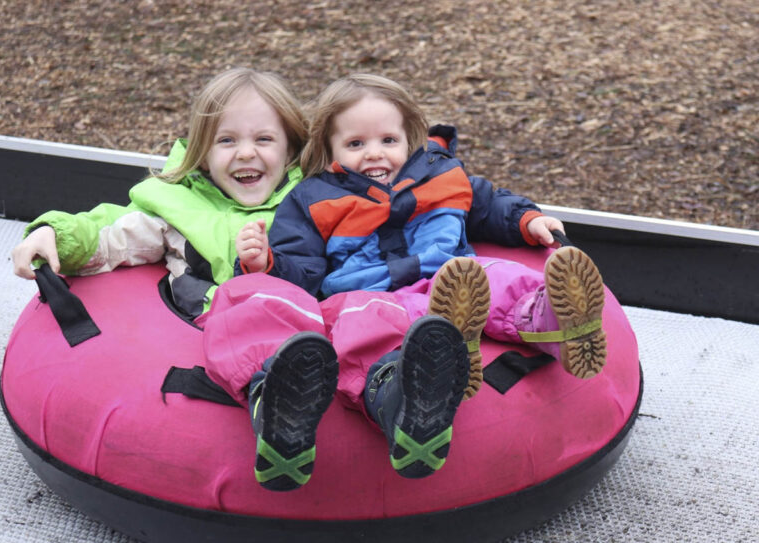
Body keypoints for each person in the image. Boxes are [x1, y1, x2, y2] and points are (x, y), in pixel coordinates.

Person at [233, 74, 607, 483]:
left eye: (388, 141)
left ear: (411, 138)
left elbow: (488, 205)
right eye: (356, 144)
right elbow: (301, 268)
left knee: (500, 275)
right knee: (359, 326)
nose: (374, 154)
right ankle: (426, 369)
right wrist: (263, 263)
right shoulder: (312, 198)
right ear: (328, 152)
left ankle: (553, 318)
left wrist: (527, 220)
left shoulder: (442, 173)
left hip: (448, 277)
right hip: (369, 293)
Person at [10, 67, 340, 493]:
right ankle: (275, 404)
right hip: (211, 335)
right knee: (248, 316)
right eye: (227, 140)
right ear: (202, 152)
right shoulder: (174, 210)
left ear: (291, 148)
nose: (245, 153)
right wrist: (53, 233)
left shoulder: (314, 201)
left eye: (263, 139)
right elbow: (111, 237)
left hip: (308, 326)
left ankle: (393, 382)